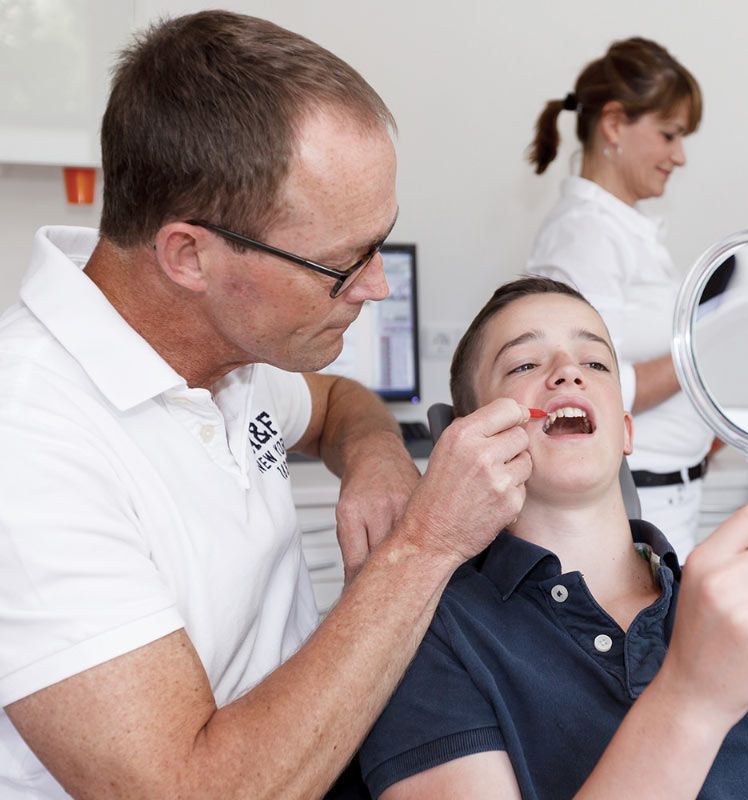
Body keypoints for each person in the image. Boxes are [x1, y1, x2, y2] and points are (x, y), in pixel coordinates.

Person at [0, 12, 537, 798]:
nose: (376, 287)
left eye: (380, 243)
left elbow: (338, 406)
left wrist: (378, 459)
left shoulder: (225, 353)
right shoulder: (30, 444)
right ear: (189, 255)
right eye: (343, 263)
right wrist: (425, 545)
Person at [360, 277, 748, 800]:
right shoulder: (427, 637)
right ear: (468, 438)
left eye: (595, 363)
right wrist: (693, 696)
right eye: (524, 365)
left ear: (627, 430)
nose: (568, 371)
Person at [525, 37, 713, 561]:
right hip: (639, 504)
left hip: (668, 496)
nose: (679, 156)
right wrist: (703, 353)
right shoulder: (585, 235)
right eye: (669, 134)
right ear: (613, 124)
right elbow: (588, 384)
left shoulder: (623, 230)